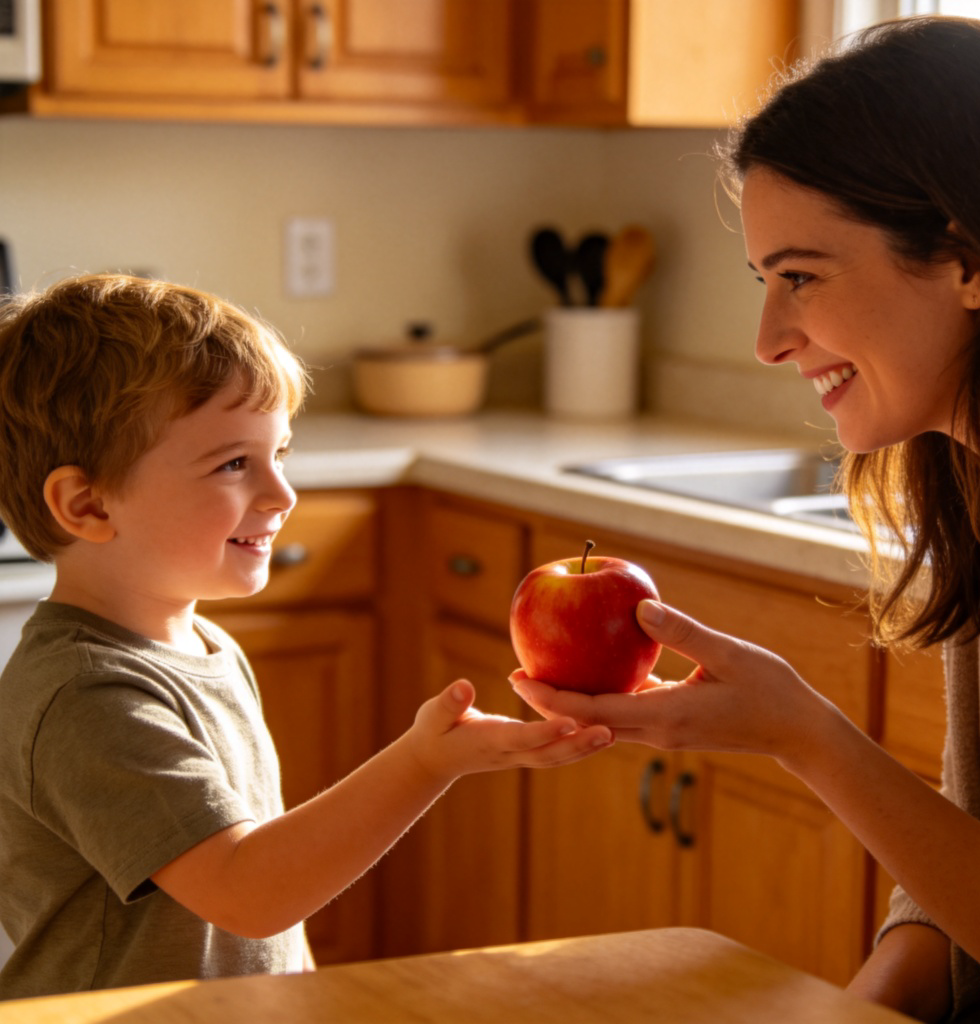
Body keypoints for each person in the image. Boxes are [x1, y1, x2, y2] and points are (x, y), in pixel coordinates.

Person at [512, 16, 980, 1024]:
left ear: (968, 261)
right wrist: (857, 1006)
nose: (767, 339)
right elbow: (971, 850)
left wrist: (807, 735)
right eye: (764, 283)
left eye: (800, 277)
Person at [0, 274, 612, 1000]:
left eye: (279, 454)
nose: (282, 494)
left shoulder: (204, 647)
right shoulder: (88, 695)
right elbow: (248, 892)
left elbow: (263, 915)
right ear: (87, 503)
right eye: (233, 463)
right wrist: (422, 763)